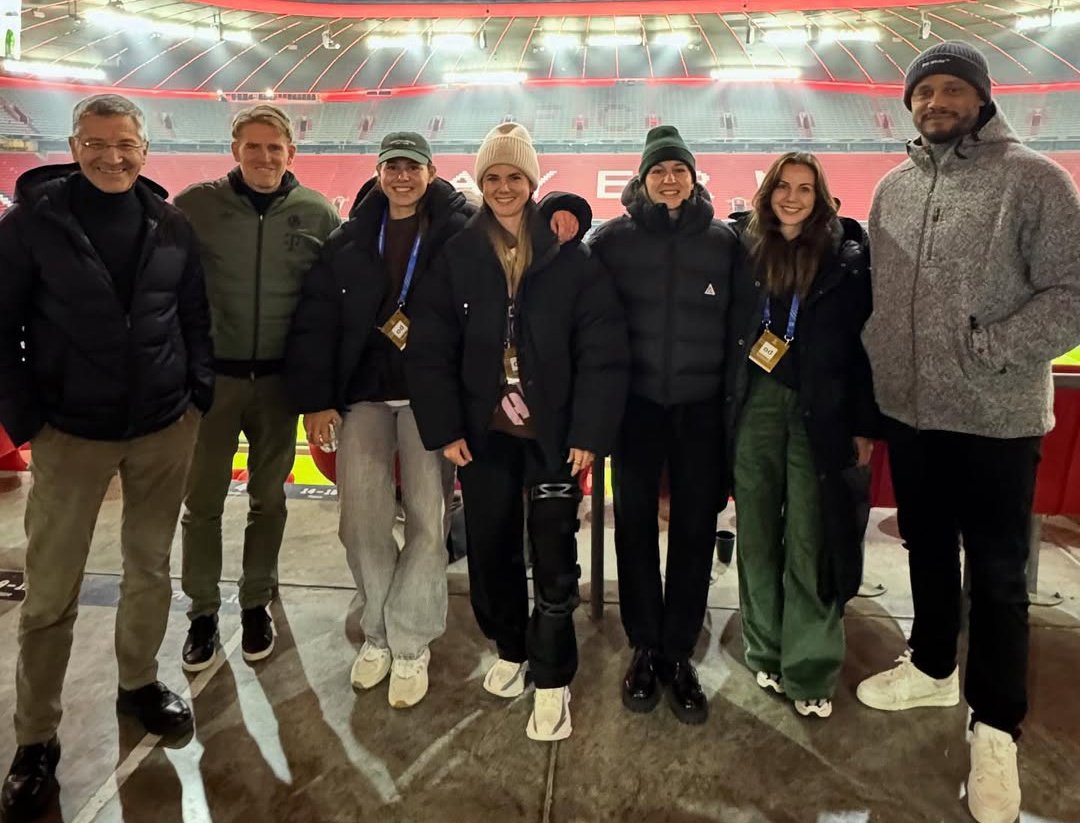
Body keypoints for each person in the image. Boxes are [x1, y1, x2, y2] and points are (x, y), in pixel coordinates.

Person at [856, 41, 1080, 823]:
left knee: (998, 575)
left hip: (994, 418)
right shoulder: (893, 186)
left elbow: (1071, 292)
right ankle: (928, 663)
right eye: (925, 92)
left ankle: (995, 723)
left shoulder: (1036, 180)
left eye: (953, 90)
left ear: (982, 99)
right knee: (923, 546)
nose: (936, 103)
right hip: (912, 413)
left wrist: (990, 347)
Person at [284, 132, 586, 709]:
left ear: (430, 173)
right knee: (361, 522)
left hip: (432, 402)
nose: (401, 176)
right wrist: (318, 397)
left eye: (412, 167)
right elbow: (318, 320)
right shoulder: (348, 239)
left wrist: (569, 208)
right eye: (391, 166)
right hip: (366, 398)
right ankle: (376, 629)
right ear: (377, 173)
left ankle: (411, 639)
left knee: (428, 523)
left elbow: (528, 210)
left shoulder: (456, 228)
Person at [0, 93, 214, 822]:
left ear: (144, 147)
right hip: (70, 434)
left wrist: (197, 393)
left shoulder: (170, 221)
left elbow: (192, 315)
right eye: (97, 143)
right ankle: (35, 738)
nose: (112, 156)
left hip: (161, 428)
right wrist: (30, 417)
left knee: (150, 569)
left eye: (124, 143)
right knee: (51, 591)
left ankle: (138, 684)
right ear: (72, 145)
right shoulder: (32, 224)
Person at [407, 123, 628, 740]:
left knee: (555, 558)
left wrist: (588, 429)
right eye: (493, 178)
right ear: (482, 184)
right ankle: (511, 647)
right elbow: (430, 347)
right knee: (492, 551)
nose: (504, 188)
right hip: (484, 433)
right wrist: (446, 426)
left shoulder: (569, 258)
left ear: (533, 185)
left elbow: (602, 351)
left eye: (515, 177)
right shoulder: (457, 254)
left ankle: (554, 677)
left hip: (555, 434)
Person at [174, 105, 341, 671]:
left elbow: (331, 305)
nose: (265, 158)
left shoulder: (317, 213)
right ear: (235, 150)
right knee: (202, 503)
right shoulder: (195, 207)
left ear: (292, 152)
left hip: (278, 385)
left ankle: (254, 602)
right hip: (213, 383)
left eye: (275, 148)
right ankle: (200, 610)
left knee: (269, 501)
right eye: (254, 147)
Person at [587, 125, 735, 724]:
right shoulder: (612, 241)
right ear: (642, 179)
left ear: (693, 176)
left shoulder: (724, 243)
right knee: (636, 529)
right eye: (658, 170)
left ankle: (679, 651)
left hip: (700, 408)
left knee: (697, 528)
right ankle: (645, 644)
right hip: (638, 406)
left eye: (678, 168)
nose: (669, 179)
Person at [724, 152, 876, 720]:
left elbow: (864, 351)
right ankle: (763, 645)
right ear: (767, 191)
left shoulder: (847, 258)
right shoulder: (741, 249)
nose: (792, 197)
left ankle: (809, 664)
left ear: (821, 197)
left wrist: (863, 424)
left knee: (812, 540)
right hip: (754, 405)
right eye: (783, 186)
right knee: (758, 533)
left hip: (821, 412)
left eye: (805, 189)